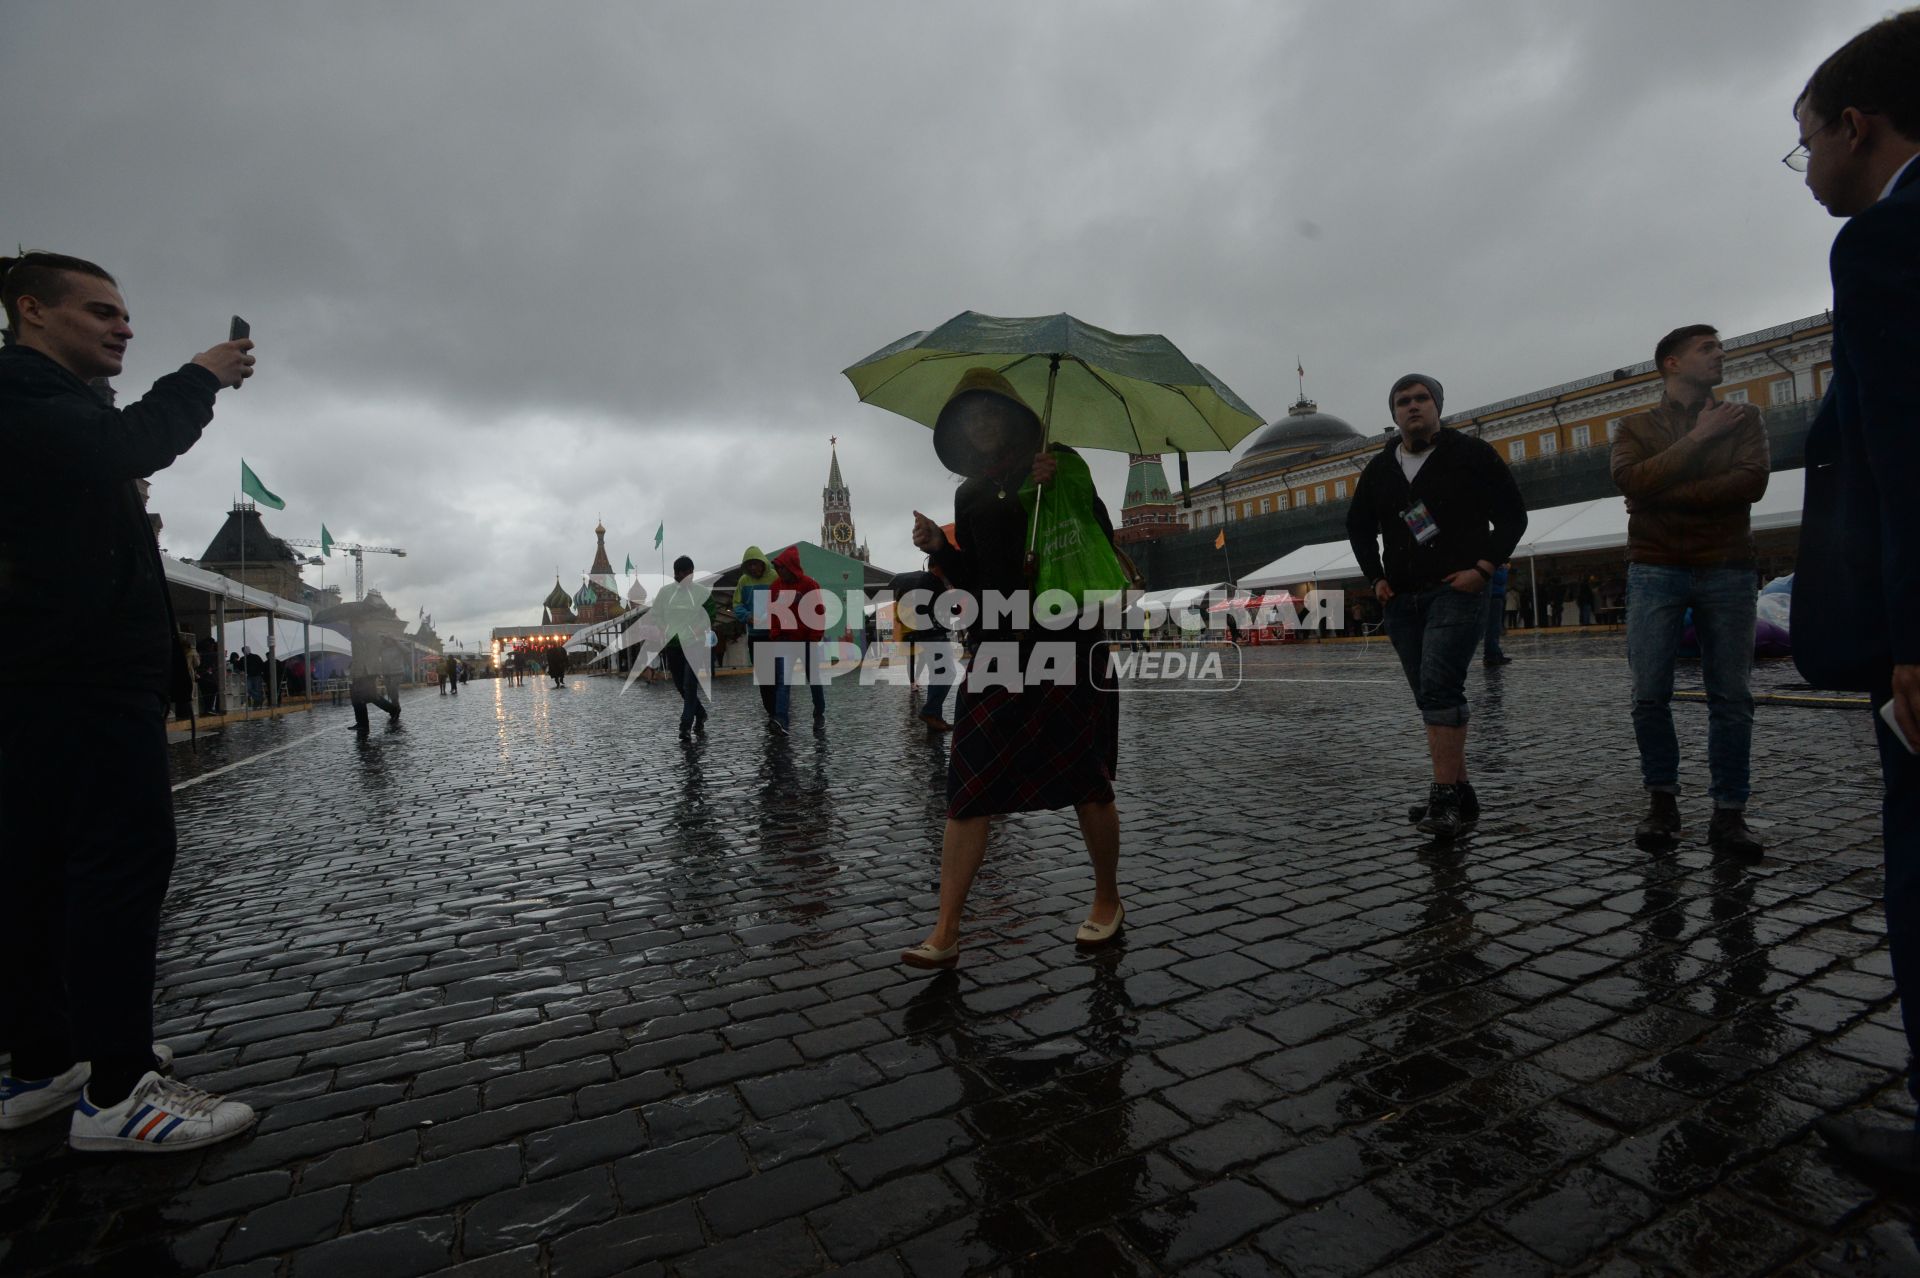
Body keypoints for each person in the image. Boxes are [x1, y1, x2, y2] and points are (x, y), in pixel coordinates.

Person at [0, 250, 257, 1150]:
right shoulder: (25, 395)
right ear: (31, 311)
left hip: (45, 675)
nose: (124, 325)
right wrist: (200, 377)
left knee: (39, 873)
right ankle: (118, 1093)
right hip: (80, 674)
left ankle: (46, 1060)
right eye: (102, 311)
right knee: (118, 865)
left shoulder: (47, 404)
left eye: (126, 312)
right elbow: (128, 444)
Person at [1781, 11, 1920, 1175]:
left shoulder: (1885, 243)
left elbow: (1907, 451)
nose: (1809, 168)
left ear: (1857, 126)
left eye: (1808, 142)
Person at [903, 367, 1125, 969]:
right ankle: (946, 929)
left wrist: (1065, 491)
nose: (981, 424)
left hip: (1070, 641)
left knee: (1087, 778)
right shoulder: (970, 493)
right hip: (999, 647)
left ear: (1015, 415)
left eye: (990, 411)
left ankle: (1107, 898)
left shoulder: (1061, 465)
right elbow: (977, 582)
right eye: (969, 417)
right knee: (968, 783)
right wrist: (941, 551)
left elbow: (1101, 542)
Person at [1610, 325, 1770, 858]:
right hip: (1655, 567)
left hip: (1727, 567)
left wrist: (1661, 495)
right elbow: (1632, 480)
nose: (1720, 354)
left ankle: (1730, 813)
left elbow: (1749, 483)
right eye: (1707, 348)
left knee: (1733, 697)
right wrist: (1700, 440)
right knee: (1649, 693)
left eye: (1720, 347)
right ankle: (1663, 802)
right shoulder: (1634, 426)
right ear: (1671, 363)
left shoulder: (1745, 419)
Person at [1347, 373, 1527, 840]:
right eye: (1403, 401)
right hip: (1403, 599)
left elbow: (1512, 514)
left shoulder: (1470, 454)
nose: (1413, 407)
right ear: (1393, 414)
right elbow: (1359, 527)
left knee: (1440, 686)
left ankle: (1443, 797)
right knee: (1429, 696)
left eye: (1422, 398)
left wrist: (1484, 568)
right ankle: (1462, 793)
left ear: (1438, 406)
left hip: (1457, 589)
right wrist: (1377, 577)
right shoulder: (1381, 468)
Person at [768, 545, 827, 732]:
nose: (779, 571)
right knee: (782, 681)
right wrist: (775, 635)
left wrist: (814, 638)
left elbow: (818, 612)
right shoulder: (775, 587)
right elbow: (773, 613)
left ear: (791, 566)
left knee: (814, 680)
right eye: (778, 568)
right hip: (784, 640)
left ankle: (819, 714)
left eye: (782, 567)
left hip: (807, 640)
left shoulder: (809, 585)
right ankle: (781, 720)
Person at [656, 554, 716, 738]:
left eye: (689, 573)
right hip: (674, 645)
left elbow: (710, 615)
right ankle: (700, 713)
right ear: (677, 574)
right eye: (683, 574)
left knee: (690, 685)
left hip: (695, 645)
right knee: (680, 686)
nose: (686, 577)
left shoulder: (701, 593)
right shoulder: (665, 593)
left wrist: (696, 631)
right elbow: (657, 614)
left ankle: (685, 725)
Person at [732, 547, 781, 723]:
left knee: (778, 675)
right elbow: (737, 604)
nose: (753, 568)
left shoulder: (775, 577)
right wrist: (747, 616)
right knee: (764, 677)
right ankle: (771, 711)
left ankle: (779, 709)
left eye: (755, 564)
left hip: (775, 634)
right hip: (756, 635)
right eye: (749, 565)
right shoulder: (743, 581)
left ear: (763, 563)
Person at [1483, 563, 1512, 665]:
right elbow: (1500, 579)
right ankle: (1492, 655)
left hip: (1495, 596)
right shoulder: (1495, 566)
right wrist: (1505, 570)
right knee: (1493, 627)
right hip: (1495, 597)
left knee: (1494, 627)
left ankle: (1495, 653)